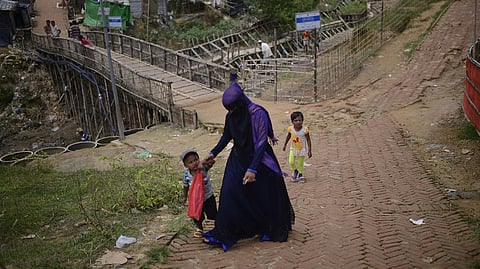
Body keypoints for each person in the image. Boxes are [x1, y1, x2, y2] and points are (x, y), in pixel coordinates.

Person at [201, 82, 295, 251]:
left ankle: (267, 228)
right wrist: (213, 153)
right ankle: (224, 234)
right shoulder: (231, 115)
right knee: (230, 193)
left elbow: (260, 143)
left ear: (240, 103)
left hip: (260, 160)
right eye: (228, 110)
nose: (231, 113)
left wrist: (252, 169)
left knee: (263, 196)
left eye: (232, 109)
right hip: (238, 158)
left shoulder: (258, 114)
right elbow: (226, 137)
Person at [181, 149, 217, 238]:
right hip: (196, 200)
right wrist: (185, 197)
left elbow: (212, 161)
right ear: (186, 165)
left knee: (213, 214)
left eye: (196, 160)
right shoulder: (186, 174)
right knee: (197, 216)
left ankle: (219, 226)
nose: (194, 163)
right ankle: (199, 229)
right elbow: (185, 186)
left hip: (207, 197)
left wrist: (204, 162)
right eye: (191, 162)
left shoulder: (203, 169)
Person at [282, 111, 312, 183]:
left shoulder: (305, 130)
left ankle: (300, 175)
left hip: (302, 149)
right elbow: (288, 136)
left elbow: (308, 140)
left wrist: (309, 150)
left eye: (300, 120)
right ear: (292, 121)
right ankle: (295, 171)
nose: (298, 122)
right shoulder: (290, 129)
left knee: (300, 163)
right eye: (296, 120)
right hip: (293, 148)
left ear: (302, 120)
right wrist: (285, 145)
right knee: (291, 161)